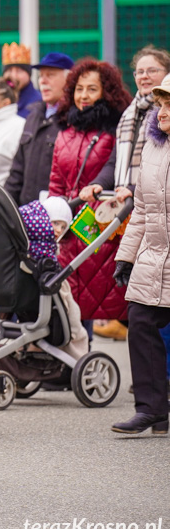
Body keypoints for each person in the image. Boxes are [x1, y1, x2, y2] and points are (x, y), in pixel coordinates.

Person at [80, 46, 170, 342]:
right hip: (127, 207)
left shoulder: (159, 115)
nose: (144, 76)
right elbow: (116, 160)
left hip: (148, 204)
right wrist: (98, 183)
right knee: (143, 301)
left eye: (152, 70)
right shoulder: (131, 112)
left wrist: (132, 190)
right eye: (139, 71)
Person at [48, 58, 132, 325]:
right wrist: (54, 221)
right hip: (69, 232)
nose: (83, 96)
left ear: (107, 92)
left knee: (110, 306)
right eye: (79, 88)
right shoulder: (65, 131)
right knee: (71, 311)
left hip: (103, 229)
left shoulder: (117, 130)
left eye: (92, 89)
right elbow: (56, 184)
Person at [112, 73, 170, 435]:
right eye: (161, 103)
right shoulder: (153, 146)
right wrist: (126, 257)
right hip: (154, 256)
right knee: (141, 322)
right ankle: (152, 409)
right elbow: (144, 210)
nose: (162, 111)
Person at [18, 197, 88, 359]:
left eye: (63, 227)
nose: (58, 230)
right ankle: (79, 357)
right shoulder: (41, 248)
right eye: (55, 223)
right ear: (43, 219)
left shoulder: (27, 243)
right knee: (73, 321)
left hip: (29, 299)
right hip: (47, 293)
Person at [5, 52, 74, 206]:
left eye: (50, 75)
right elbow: (17, 171)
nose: (43, 81)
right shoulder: (33, 116)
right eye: (41, 75)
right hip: (28, 214)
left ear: (69, 79)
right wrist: (6, 209)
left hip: (59, 214)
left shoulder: (74, 119)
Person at [2, 42, 41, 118]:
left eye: (19, 71)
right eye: (9, 70)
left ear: (29, 74)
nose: (13, 76)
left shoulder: (39, 103)